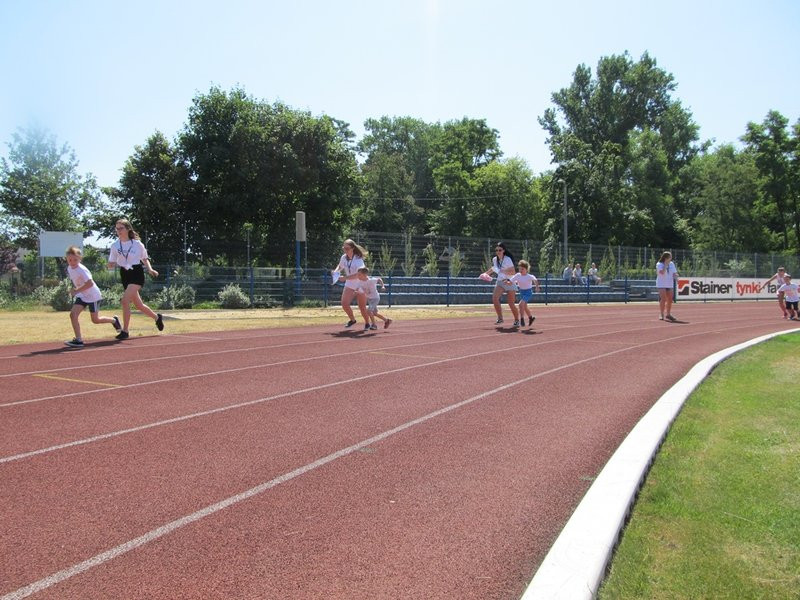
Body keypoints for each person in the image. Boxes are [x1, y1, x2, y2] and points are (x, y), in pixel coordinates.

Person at [107, 218, 164, 340]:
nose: (118, 231)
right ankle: (157, 318)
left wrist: (150, 269)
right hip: (124, 273)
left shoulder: (137, 244)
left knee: (124, 301)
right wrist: (110, 265)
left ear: (128, 229)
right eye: (117, 228)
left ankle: (125, 331)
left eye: (121, 228)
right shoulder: (115, 245)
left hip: (136, 273)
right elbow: (111, 261)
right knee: (139, 305)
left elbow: (144, 259)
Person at [63, 245, 122, 347]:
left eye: (75, 260)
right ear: (66, 259)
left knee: (95, 320)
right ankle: (78, 339)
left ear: (80, 259)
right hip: (82, 295)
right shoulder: (69, 268)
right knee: (73, 315)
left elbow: (90, 283)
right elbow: (77, 281)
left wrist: (76, 291)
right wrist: (74, 290)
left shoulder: (82, 269)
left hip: (93, 296)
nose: (72, 262)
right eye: (70, 260)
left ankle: (114, 320)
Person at [332, 239, 371, 328]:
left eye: (347, 248)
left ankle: (367, 323)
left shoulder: (358, 259)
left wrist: (345, 278)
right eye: (344, 248)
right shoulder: (343, 257)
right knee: (344, 304)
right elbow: (340, 266)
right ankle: (352, 320)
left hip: (360, 284)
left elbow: (359, 274)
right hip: (350, 284)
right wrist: (336, 272)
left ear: (352, 248)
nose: (345, 250)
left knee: (362, 307)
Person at [481, 242, 520, 326]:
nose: (498, 251)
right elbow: (494, 269)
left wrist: (501, 270)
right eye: (496, 250)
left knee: (511, 303)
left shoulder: (507, 259)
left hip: (509, 281)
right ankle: (500, 318)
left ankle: (517, 320)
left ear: (503, 251)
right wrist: (485, 274)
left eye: (500, 250)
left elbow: (513, 271)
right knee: (495, 298)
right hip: (500, 282)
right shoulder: (495, 259)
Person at [509, 260, 541, 328]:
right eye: (519, 268)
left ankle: (522, 319)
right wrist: (506, 282)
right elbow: (510, 281)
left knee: (520, 304)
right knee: (525, 306)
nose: (520, 270)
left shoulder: (529, 276)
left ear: (526, 269)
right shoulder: (517, 275)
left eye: (522, 269)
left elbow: (535, 280)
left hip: (528, 292)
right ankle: (531, 318)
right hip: (522, 292)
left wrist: (537, 287)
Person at [656, 251, 679, 322]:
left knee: (670, 300)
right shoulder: (659, 264)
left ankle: (668, 314)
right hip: (661, 284)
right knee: (663, 299)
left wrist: (676, 276)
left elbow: (674, 273)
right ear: (666, 258)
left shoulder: (672, 264)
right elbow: (662, 273)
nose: (671, 258)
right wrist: (665, 265)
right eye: (670, 257)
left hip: (669, 284)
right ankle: (661, 314)